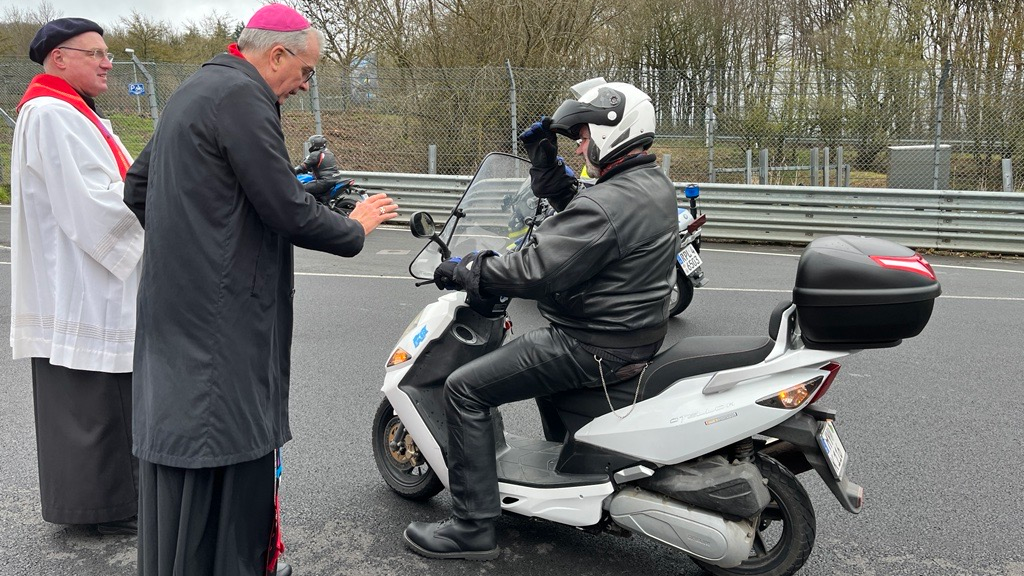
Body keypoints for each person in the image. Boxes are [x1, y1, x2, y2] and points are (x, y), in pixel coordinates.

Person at [123, 5, 398, 576]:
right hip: (224, 324)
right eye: (306, 71)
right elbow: (285, 208)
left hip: (177, 311)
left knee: (186, 447)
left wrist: (198, 245)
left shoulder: (194, 88)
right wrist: (357, 225)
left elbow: (139, 186)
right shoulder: (244, 98)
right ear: (276, 54)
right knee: (227, 442)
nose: (304, 84)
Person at [403, 79, 679, 560]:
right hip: (626, 335)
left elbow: (537, 270)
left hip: (590, 343)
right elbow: (584, 218)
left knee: (464, 389)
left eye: (585, 134)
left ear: (616, 132)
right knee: (533, 374)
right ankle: (569, 491)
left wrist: (472, 270)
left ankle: (471, 527)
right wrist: (546, 169)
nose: (581, 144)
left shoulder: (613, 202)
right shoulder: (646, 185)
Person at [9, 17, 143, 536]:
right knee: (97, 398)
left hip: (92, 275)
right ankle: (106, 509)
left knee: (106, 396)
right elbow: (93, 205)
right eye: (97, 53)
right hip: (84, 280)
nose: (109, 62)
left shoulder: (78, 112)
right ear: (59, 58)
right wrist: (163, 212)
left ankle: (110, 503)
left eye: (108, 53)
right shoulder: (50, 114)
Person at [293, 135, 343, 205]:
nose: (310, 146)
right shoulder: (329, 153)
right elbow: (321, 165)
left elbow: (303, 167)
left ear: (316, 144)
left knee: (300, 189)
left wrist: (291, 171)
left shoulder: (315, 154)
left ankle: (309, 210)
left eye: (311, 144)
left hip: (324, 181)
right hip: (334, 179)